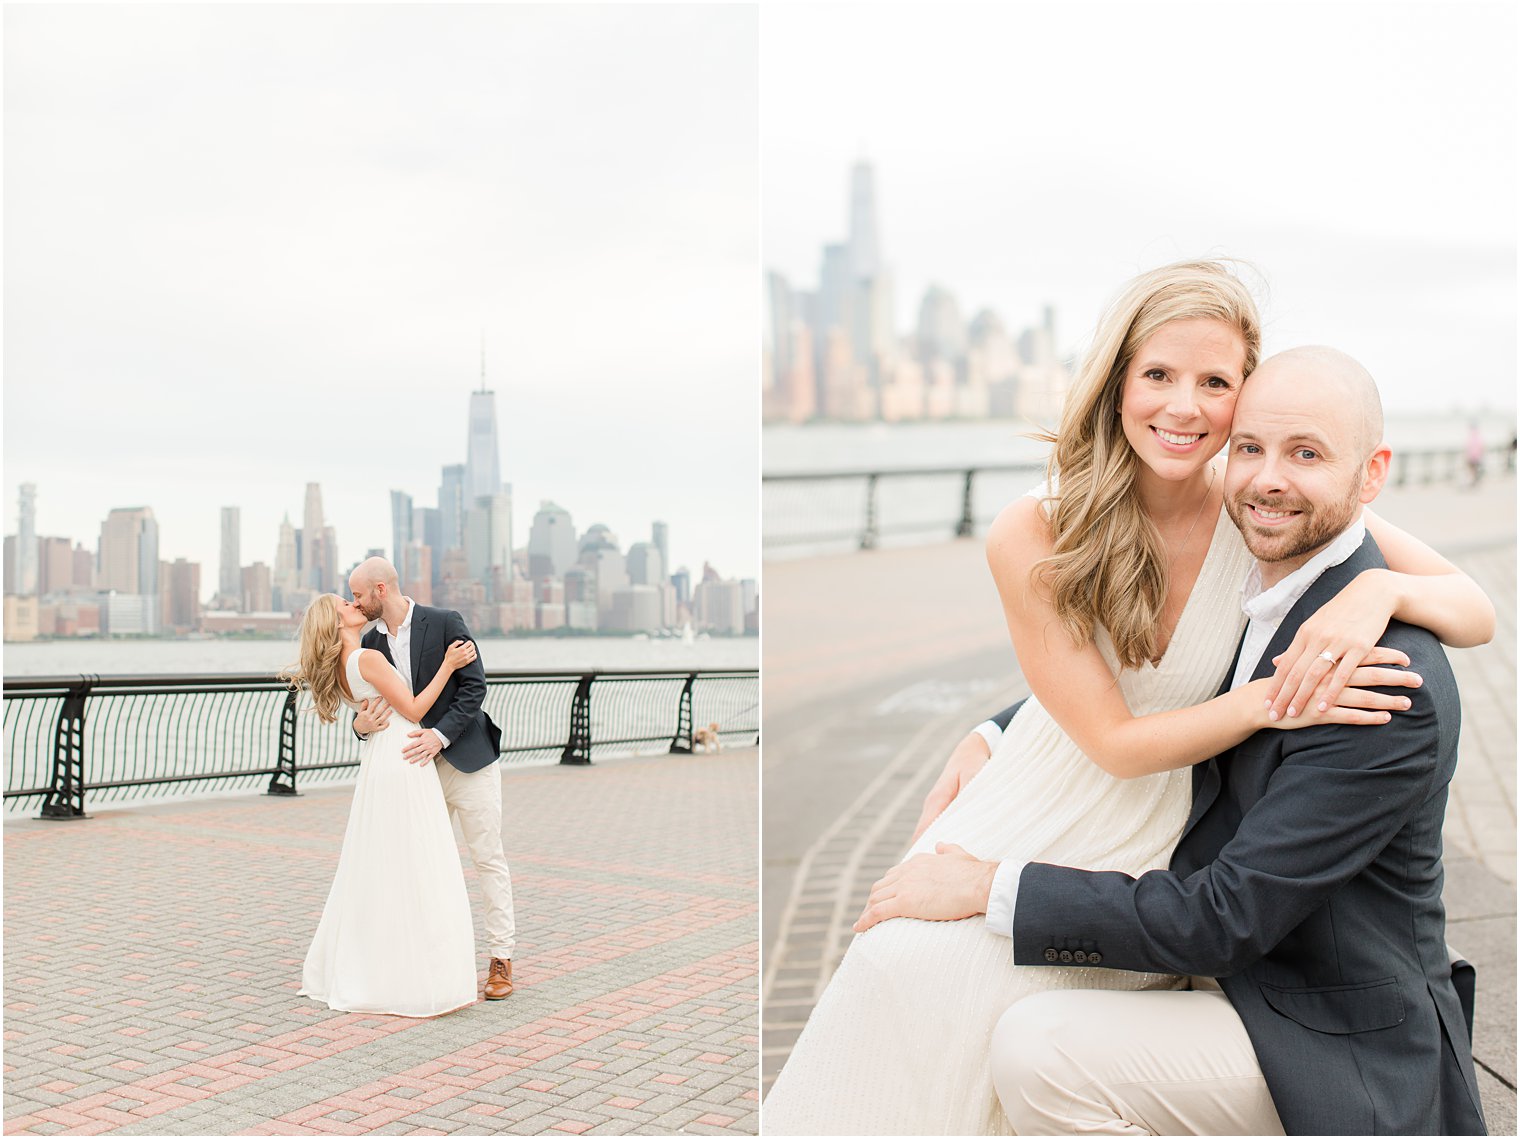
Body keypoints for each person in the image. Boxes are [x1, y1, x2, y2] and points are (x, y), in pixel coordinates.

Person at [761, 262, 1495, 1136]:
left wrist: (1383, 594)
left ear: (1241, 396)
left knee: (1014, 1024)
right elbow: (1112, 716)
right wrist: (993, 731)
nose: (1185, 406)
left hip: (1186, 869)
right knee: (899, 968)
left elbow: (1474, 607)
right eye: (1158, 375)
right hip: (1063, 790)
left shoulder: (1271, 528)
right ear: (1116, 383)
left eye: (1215, 383)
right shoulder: (1068, 522)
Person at [282, 592, 482, 1017]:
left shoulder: (344, 664)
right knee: (416, 861)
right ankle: (409, 973)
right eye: (346, 605)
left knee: (381, 863)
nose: (355, 606)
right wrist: (448, 666)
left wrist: (361, 721)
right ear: (337, 624)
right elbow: (412, 708)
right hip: (405, 755)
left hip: (380, 761)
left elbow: (373, 710)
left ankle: (380, 965)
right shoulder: (367, 659)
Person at [347, 556, 516, 1000]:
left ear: (380, 589)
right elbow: (369, 706)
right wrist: (359, 728)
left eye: (359, 594)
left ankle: (501, 957)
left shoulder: (444, 622)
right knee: (424, 864)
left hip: (469, 760)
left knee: (487, 858)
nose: (356, 601)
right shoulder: (369, 644)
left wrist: (440, 737)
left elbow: (473, 688)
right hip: (415, 774)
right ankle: (434, 960)